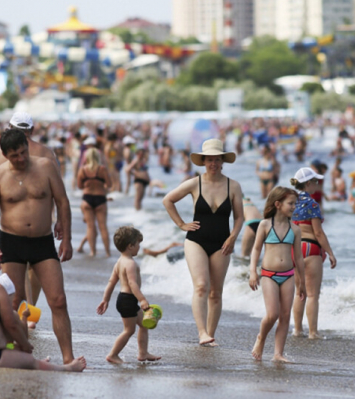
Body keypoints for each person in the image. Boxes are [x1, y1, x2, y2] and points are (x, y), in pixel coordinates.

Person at [0, 129, 77, 364]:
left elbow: (63, 201)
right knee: (15, 303)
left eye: (24, 152)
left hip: (43, 242)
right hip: (11, 242)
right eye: (14, 156)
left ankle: (68, 358)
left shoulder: (45, 166)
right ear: (5, 155)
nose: (21, 159)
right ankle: (18, 352)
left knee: (58, 300)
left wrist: (66, 238)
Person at [0, 249, 85, 371]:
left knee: (14, 350)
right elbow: (11, 324)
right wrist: (26, 346)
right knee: (31, 361)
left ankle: (21, 359)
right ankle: (67, 368)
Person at [163, 139, 244, 346]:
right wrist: (181, 224)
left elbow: (239, 217)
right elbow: (168, 200)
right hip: (196, 241)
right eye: (209, 160)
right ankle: (201, 333)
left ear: (222, 161)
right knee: (201, 286)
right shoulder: (194, 183)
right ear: (204, 161)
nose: (213, 163)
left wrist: (233, 237)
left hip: (222, 243)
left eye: (217, 160)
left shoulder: (233, 185)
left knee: (216, 292)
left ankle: (210, 334)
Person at [248, 187, 306, 362]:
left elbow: (298, 257)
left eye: (295, 203)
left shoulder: (294, 229)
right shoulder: (265, 224)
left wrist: (301, 281)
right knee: (272, 314)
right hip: (268, 275)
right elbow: (256, 249)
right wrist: (253, 272)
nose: (294, 207)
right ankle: (261, 338)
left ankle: (278, 354)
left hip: (288, 275)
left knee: (285, 315)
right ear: (278, 204)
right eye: (290, 203)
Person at [97, 226, 161, 364]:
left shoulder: (119, 262)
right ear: (130, 246)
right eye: (138, 244)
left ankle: (143, 353)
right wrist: (142, 300)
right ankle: (113, 354)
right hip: (128, 300)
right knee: (128, 330)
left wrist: (105, 300)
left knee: (144, 325)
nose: (139, 247)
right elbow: (133, 284)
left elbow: (111, 282)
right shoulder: (130, 263)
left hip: (125, 300)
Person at [290, 167, 337, 339]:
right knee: (312, 295)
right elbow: (318, 232)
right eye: (315, 181)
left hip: (295, 248)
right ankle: (312, 332)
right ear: (308, 183)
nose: (317, 185)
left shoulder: (290, 201)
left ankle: (297, 330)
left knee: (299, 292)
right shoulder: (312, 204)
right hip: (311, 247)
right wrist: (331, 253)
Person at [77, 147, 111, 257]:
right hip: (100, 199)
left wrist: (89, 184)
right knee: (103, 227)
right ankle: (107, 252)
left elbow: (80, 186)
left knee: (90, 227)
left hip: (87, 199)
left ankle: (93, 252)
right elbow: (109, 184)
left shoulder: (83, 169)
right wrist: (101, 185)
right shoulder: (102, 169)